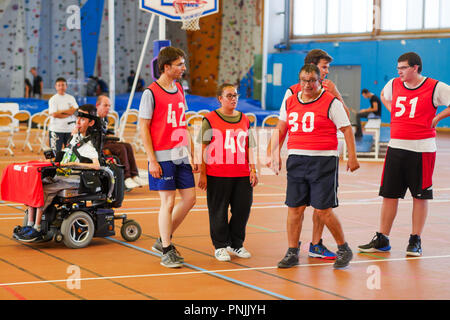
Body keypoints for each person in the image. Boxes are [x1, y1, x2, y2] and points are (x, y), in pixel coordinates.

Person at [267, 64, 359, 269]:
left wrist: (352, 157)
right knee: (294, 209)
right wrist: (273, 153)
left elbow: (347, 129)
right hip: (296, 160)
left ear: (319, 81)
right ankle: (292, 252)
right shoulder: (290, 101)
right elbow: (281, 128)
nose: (307, 84)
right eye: (303, 80)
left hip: (323, 161)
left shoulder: (330, 102)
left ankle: (343, 248)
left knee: (323, 210)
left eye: (312, 80)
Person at [358, 52, 450, 256]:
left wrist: (438, 118)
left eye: (403, 68)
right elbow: (383, 95)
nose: (398, 71)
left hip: (422, 149)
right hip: (396, 147)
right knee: (389, 195)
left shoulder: (435, 87)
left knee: (420, 196)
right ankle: (382, 238)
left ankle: (415, 239)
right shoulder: (393, 84)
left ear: (415, 68)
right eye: (398, 68)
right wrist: (391, 108)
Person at [138, 46, 198, 268]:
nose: (183, 68)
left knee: (190, 199)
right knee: (168, 201)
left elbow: (184, 124)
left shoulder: (180, 89)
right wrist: (152, 160)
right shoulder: (150, 93)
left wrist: (192, 154)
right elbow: (143, 127)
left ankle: (162, 239)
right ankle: (166, 248)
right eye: (180, 64)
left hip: (181, 154)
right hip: (162, 156)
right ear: (166, 67)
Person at [16, 104, 101, 242]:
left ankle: (37, 228)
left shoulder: (89, 145)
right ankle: (30, 225)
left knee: (42, 189)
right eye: (78, 118)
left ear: (91, 122)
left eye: (83, 119)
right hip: (62, 176)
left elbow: (97, 166)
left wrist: (73, 164)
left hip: (74, 180)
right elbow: (65, 155)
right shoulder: (75, 139)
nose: (78, 122)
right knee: (34, 185)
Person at [197, 83, 258, 262]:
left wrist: (252, 168)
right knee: (218, 211)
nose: (234, 99)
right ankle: (220, 246)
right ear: (220, 99)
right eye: (229, 95)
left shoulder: (244, 119)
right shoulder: (210, 119)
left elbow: (249, 146)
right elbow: (204, 147)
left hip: (241, 173)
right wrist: (203, 173)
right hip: (218, 174)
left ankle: (236, 243)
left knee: (242, 209)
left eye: (236, 95)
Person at [96, 94, 147, 189]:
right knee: (121, 148)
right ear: (97, 105)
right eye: (105, 105)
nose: (108, 108)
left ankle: (134, 175)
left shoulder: (105, 118)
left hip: (106, 142)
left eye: (109, 106)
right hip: (98, 144)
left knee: (128, 145)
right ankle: (126, 177)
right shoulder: (93, 119)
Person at [48, 77, 79, 152]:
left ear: (66, 86)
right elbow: (55, 114)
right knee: (55, 154)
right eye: (59, 85)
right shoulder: (53, 99)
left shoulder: (71, 98)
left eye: (63, 85)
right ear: (56, 87)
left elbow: (76, 111)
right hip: (56, 130)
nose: (61, 87)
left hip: (70, 130)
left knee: (70, 153)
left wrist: (61, 112)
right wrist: (69, 112)